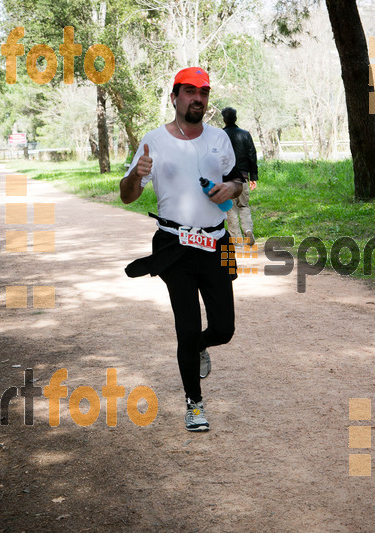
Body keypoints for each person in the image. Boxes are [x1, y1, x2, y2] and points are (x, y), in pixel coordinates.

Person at [120, 67, 244, 432]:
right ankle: (194, 403)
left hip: (217, 242)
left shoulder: (220, 139)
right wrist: (135, 174)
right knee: (186, 326)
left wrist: (233, 189)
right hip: (174, 244)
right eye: (190, 92)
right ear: (174, 97)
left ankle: (200, 346)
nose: (198, 99)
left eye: (203, 93)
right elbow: (127, 195)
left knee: (223, 328)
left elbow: (237, 178)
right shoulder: (153, 142)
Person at [221, 107, 258, 246]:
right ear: (236, 118)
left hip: (227, 179)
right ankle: (248, 230)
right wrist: (253, 177)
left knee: (231, 209)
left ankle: (236, 240)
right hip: (243, 177)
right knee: (244, 206)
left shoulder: (221, 136)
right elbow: (252, 156)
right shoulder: (245, 134)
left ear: (224, 119)